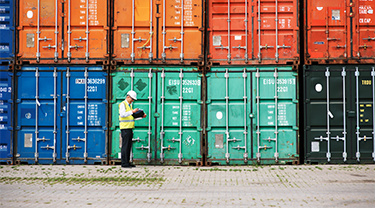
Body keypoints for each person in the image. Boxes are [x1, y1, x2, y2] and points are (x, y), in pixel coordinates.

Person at [119, 90, 147, 168]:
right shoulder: (122, 104)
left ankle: (127, 162)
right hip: (125, 128)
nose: (132, 100)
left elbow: (132, 118)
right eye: (132, 99)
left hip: (129, 128)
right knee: (125, 146)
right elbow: (122, 114)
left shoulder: (129, 105)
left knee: (128, 146)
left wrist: (141, 116)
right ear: (128, 97)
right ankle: (124, 163)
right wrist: (132, 111)